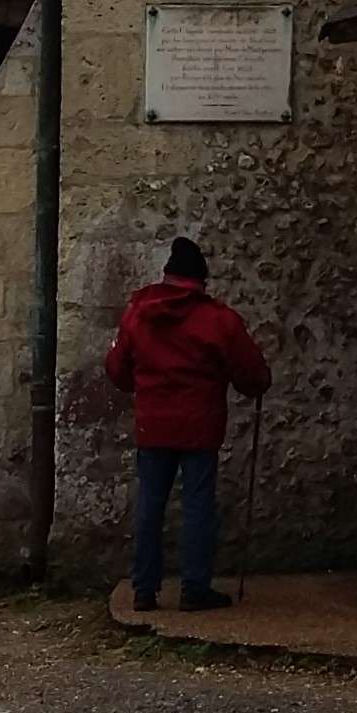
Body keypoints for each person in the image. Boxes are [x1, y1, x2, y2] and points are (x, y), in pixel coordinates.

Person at [105, 235, 271, 614]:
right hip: (200, 424)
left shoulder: (138, 313)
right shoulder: (218, 320)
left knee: (149, 503)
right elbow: (250, 372)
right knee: (198, 506)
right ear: (201, 280)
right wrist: (259, 382)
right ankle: (195, 588)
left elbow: (116, 368)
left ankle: (144, 589)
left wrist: (143, 386)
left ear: (167, 274)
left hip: (153, 424)